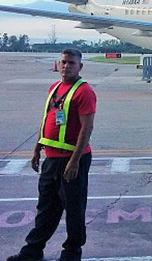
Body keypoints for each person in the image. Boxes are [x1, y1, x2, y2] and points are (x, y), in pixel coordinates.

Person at [7, 49, 97, 261]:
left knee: (74, 209)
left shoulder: (84, 92)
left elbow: (87, 128)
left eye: (71, 63)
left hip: (71, 160)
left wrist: (74, 161)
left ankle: (72, 253)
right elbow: (46, 119)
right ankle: (33, 250)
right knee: (46, 208)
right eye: (64, 62)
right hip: (51, 158)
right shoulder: (54, 88)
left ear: (80, 67)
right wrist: (37, 148)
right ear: (59, 64)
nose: (66, 66)